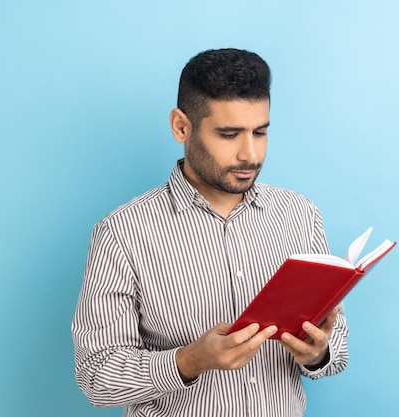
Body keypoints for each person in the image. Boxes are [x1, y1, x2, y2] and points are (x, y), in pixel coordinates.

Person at [72, 48, 349, 417]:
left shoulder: (299, 215)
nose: (250, 154)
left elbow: (338, 349)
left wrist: (319, 354)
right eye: (229, 134)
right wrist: (189, 361)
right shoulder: (122, 233)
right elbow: (96, 377)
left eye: (260, 132)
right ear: (181, 126)